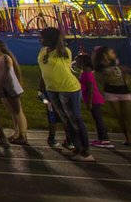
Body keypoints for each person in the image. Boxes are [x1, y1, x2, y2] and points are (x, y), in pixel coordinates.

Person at [37, 26, 93, 161]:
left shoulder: (64, 51)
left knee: (75, 119)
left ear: (49, 38)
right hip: (52, 90)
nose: (40, 39)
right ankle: (77, 148)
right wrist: (41, 89)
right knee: (66, 120)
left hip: (68, 89)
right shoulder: (43, 51)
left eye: (42, 37)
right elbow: (43, 71)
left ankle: (86, 152)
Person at [92, 45, 131, 146]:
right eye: (111, 52)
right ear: (105, 54)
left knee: (128, 116)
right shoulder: (100, 66)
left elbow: (126, 73)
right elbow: (101, 80)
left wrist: (127, 78)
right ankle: (127, 138)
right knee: (119, 117)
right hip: (111, 92)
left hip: (124, 91)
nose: (114, 53)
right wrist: (106, 77)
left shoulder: (116, 62)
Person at [0, 39, 27, 145]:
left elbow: (5, 74)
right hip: (2, 89)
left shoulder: (6, 58)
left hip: (11, 88)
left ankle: (23, 134)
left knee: (18, 111)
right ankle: (16, 132)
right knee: (12, 112)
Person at [74, 52, 112, 148]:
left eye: (77, 61)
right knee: (97, 119)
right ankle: (102, 138)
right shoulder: (85, 72)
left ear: (83, 62)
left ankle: (104, 139)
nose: (76, 63)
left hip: (94, 99)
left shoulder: (87, 73)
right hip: (92, 99)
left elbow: (91, 89)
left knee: (98, 119)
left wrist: (89, 102)